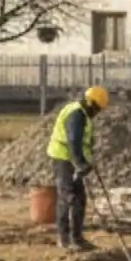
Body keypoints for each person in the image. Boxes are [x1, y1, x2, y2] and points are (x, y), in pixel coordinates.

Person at [46, 85, 110, 251]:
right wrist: (80, 164)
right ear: (90, 103)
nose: (96, 113)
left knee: (80, 199)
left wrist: (86, 161)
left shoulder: (83, 114)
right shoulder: (76, 115)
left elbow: (83, 143)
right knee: (69, 198)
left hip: (72, 160)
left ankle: (77, 238)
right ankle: (65, 239)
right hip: (63, 159)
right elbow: (73, 141)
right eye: (96, 109)